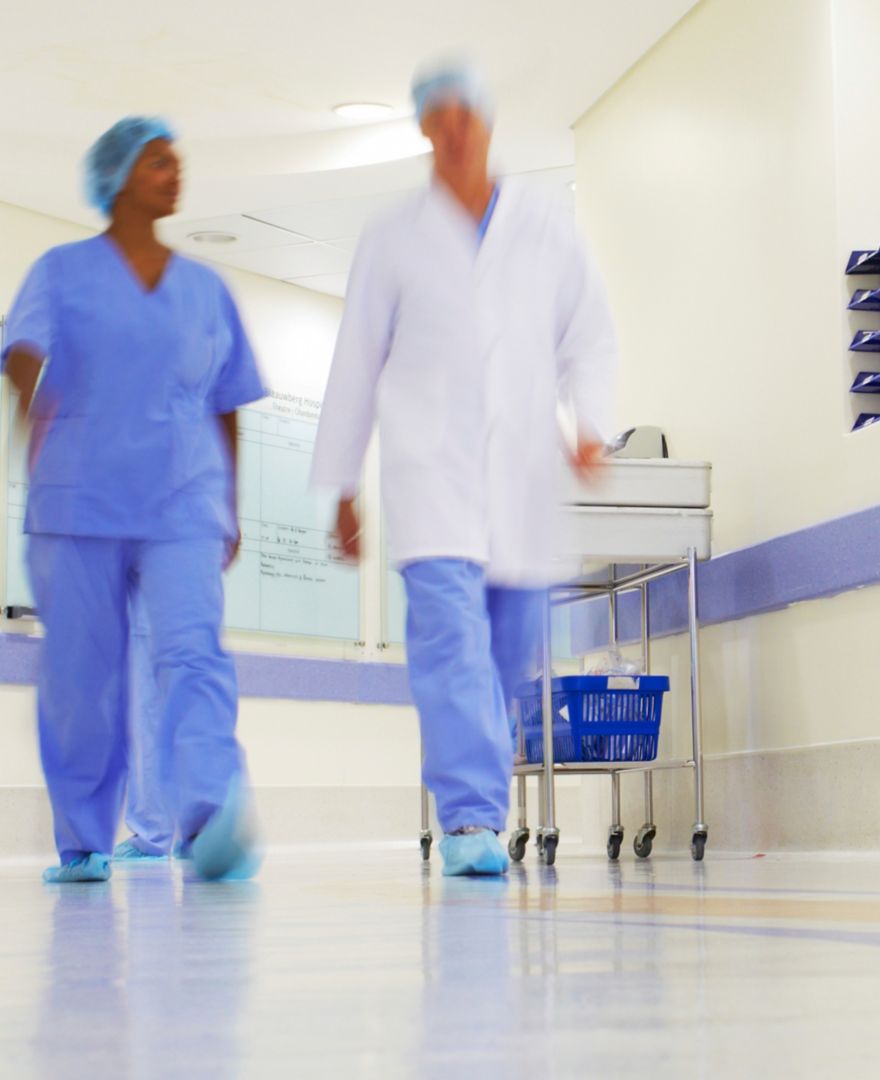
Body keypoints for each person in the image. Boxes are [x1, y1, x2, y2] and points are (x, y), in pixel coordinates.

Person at [311, 61, 618, 876]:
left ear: (486, 123)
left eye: (464, 115)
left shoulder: (545, 224)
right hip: (429, 477)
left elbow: (588, 332)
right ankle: (472, 820)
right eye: (437, 116)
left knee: (506, 661)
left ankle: (476, 805)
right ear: (421, 128)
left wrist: (588, 425)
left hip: (520, 481)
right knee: (449, 648)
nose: (452, 128)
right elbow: (354, 361)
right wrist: (341, 483)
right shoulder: (391, 236)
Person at [2, 117, 266, 883]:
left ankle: (211, 816)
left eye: (177, 162)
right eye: (158, 162)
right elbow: (23, 351)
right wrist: (31, 405)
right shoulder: (60, 271)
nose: (174, 174)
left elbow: (228, 399)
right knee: (83, 676)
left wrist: (232, 504)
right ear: (116, 178)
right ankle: (83, 840)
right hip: (78, 501)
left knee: (194, 656)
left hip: (182, 501)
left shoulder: (206, 290)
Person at [111, 596, 174, 861]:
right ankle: (197, 837)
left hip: (150, 612)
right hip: (183, 613)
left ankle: (152, 836)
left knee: (147, 721)